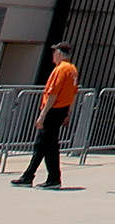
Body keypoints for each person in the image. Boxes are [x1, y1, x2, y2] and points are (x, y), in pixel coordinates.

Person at [15, 47, 80, 187]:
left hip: (53, 109)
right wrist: (68, 112)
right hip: (62, 109)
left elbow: (53, 93)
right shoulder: (72, 70)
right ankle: (49, 177)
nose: (52, 55)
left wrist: (43, 115)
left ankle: (32, 176)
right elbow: (74, 93)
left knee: (42, 144)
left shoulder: (60, 70)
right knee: (49, 145)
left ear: (60, 54)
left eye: (54, 52)